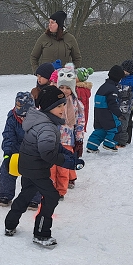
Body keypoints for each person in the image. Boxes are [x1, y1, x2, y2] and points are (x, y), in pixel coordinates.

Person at [4, 84, 82, 247]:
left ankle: (10, 223)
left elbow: (53, 146)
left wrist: (70, 155)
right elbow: (48, 153)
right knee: (52, 196)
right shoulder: (46, 126)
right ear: (48, 107)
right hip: (36, 168)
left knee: (26, 194)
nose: (62, 108)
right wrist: (68, 162)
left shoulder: (45, 122)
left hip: (29, 165)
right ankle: (41, 233)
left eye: (63, 104)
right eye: (58, 106)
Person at [0, 92, 41, 209]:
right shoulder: (12, 117)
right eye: (21, 116)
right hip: (15, 150)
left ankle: (33, 198)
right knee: (6, 171)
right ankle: (5, 195)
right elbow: (8, 136)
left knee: (34, 173)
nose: (22, 118)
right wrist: (7, 154)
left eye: (25, 116)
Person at [50, 65, 85, 197]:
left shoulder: (77, 104)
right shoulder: (51, 102)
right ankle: (51, 189)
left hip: (67, 141)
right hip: (51, 140)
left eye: (67, 88)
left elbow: (80, 122)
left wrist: (79, 139)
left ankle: (61, 191)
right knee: (51, 168)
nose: (64, 90)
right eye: (62, 87)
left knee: (63, 168)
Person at [86, 65, 124, 151]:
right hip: (107, 112)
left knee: (100, 129)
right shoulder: (112, 89)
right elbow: (112, 103)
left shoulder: (103, 87)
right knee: (116, 128)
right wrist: (119, 114)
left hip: (98, 112)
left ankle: (91, 146)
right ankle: (109, 144)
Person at [117, 59, 133, 145]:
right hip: (116, 105)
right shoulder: (119, 77)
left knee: (124, 124)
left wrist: (130, 94)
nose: (123, 72)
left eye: (125, 70)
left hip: (126, 106)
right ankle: (114, 138)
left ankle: (123, 141)